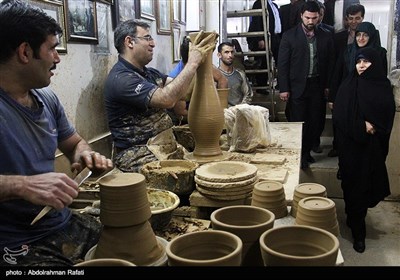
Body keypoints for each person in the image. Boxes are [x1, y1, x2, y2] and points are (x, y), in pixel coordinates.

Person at [0, 0, 113, 266]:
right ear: (25, 52)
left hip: (58, 220)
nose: (58, 58)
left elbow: (74, 143)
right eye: (52, 48)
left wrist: (85, 155)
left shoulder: (46, 98)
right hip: (14, 240)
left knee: (133, 240)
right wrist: (22, 185)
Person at [103, 20, 217, 173]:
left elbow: (179, 91)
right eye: (147, 38)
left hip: (164, 147)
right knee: (197, 176)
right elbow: (167, 99)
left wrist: (203, 60)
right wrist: (192, 63)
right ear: (129, 42)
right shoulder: (122, 79)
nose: (153, 43)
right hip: (139, 156)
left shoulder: (149, 73)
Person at [332, 47, 395, 253]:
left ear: (375, 63)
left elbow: (387, 114)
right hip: (351, 147)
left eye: (366, 62)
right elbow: (340, 116)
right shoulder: (348, 84)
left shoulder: (383, 86)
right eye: (359, 61)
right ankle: (358, 230)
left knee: (367, 186)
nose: (361, 65)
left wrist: (374, 125)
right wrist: (362, 125)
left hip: (372, 148)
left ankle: (356, 220)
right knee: (352, 187)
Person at [277, 0, 334, 169]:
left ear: (319, 17)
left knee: (315, 121)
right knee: (298, 121)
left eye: (314, 18)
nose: (310, 21)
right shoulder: (289, 36)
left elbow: (330, 62)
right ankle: (299, 155)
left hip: (317, 85)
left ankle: (307, 151)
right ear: (301, 15)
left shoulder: (325, 35)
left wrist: (328, 85)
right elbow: (283, 64)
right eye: (307, 17)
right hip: (296, 87)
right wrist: (284, 88)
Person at [327, 3, 365, 158]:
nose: (354, 22)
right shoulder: (339, 37)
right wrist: (331, 89)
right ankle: (337, 145)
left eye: (357, 18)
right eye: (351, 19)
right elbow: (333, 64)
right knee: (339, 115)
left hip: (361, 84)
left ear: (362, 18)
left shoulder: (369, 35)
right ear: (346, 20)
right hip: (342, 81)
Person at [168, 36, 228, 125]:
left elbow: (223, 80)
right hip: (186, 121)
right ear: (193, 55)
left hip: (207, 112)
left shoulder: (203, 65)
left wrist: (220, 107)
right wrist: (205, 117)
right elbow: (181, 113)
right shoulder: (176, 78)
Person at [247, 0, 282, 94]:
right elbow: (256, 21)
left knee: (280, 60)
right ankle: (261, 86)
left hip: (276, 36)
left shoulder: (274, 5)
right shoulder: (259, 3)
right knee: (263, 61)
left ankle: (280, 84)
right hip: (265, 37)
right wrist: (260, 38)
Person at [217, 42, 253, 106]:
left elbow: (248, 94)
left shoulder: (240, 74)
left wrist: (239, 109)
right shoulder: (215, 76)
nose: (230, 55)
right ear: (219, 55)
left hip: (239, 112)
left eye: (232, 52)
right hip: (222, 113)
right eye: (226, 52)